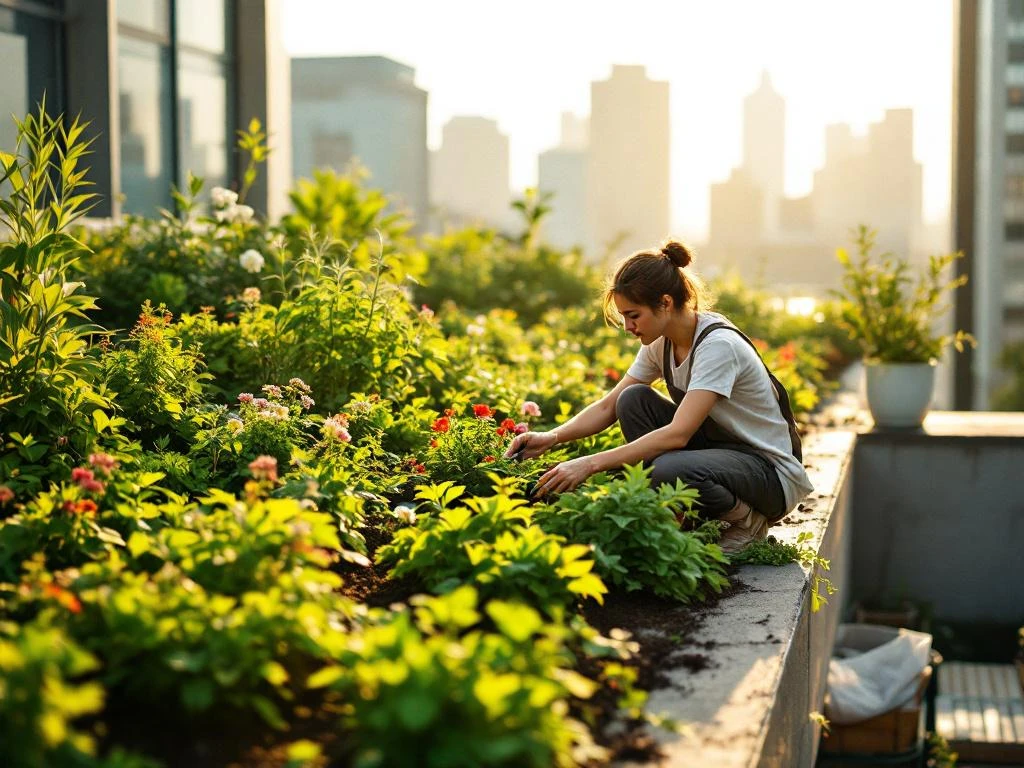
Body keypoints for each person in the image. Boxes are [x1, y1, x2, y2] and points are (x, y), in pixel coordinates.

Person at [504, 240, 813, 554]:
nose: (627, 327)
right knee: (632, 400)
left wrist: (590, 464)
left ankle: (746, 522)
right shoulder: (660, 342)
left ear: (665, 303)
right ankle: (691, 516)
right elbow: (610, 405)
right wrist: (552, 437)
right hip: (722, 456)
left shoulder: (717, 346)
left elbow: (678, 435)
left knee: (668, 467)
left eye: (633, 315)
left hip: (768, 475)